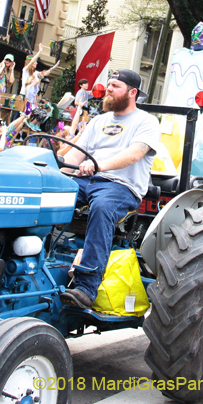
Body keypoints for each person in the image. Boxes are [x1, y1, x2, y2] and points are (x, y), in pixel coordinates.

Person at [59, 69, 160, 309]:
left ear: (132, 92)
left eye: (115, 86)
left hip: (120, 187)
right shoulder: (99, 121)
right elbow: (75, 154)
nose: (108, 89)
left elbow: (135, 153)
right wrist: (55, 177)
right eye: (109, 84)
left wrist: (98, 166)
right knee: (50, 194)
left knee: (103, 207)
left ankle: (86, 287)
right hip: (87, 181)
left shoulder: (146, 121)